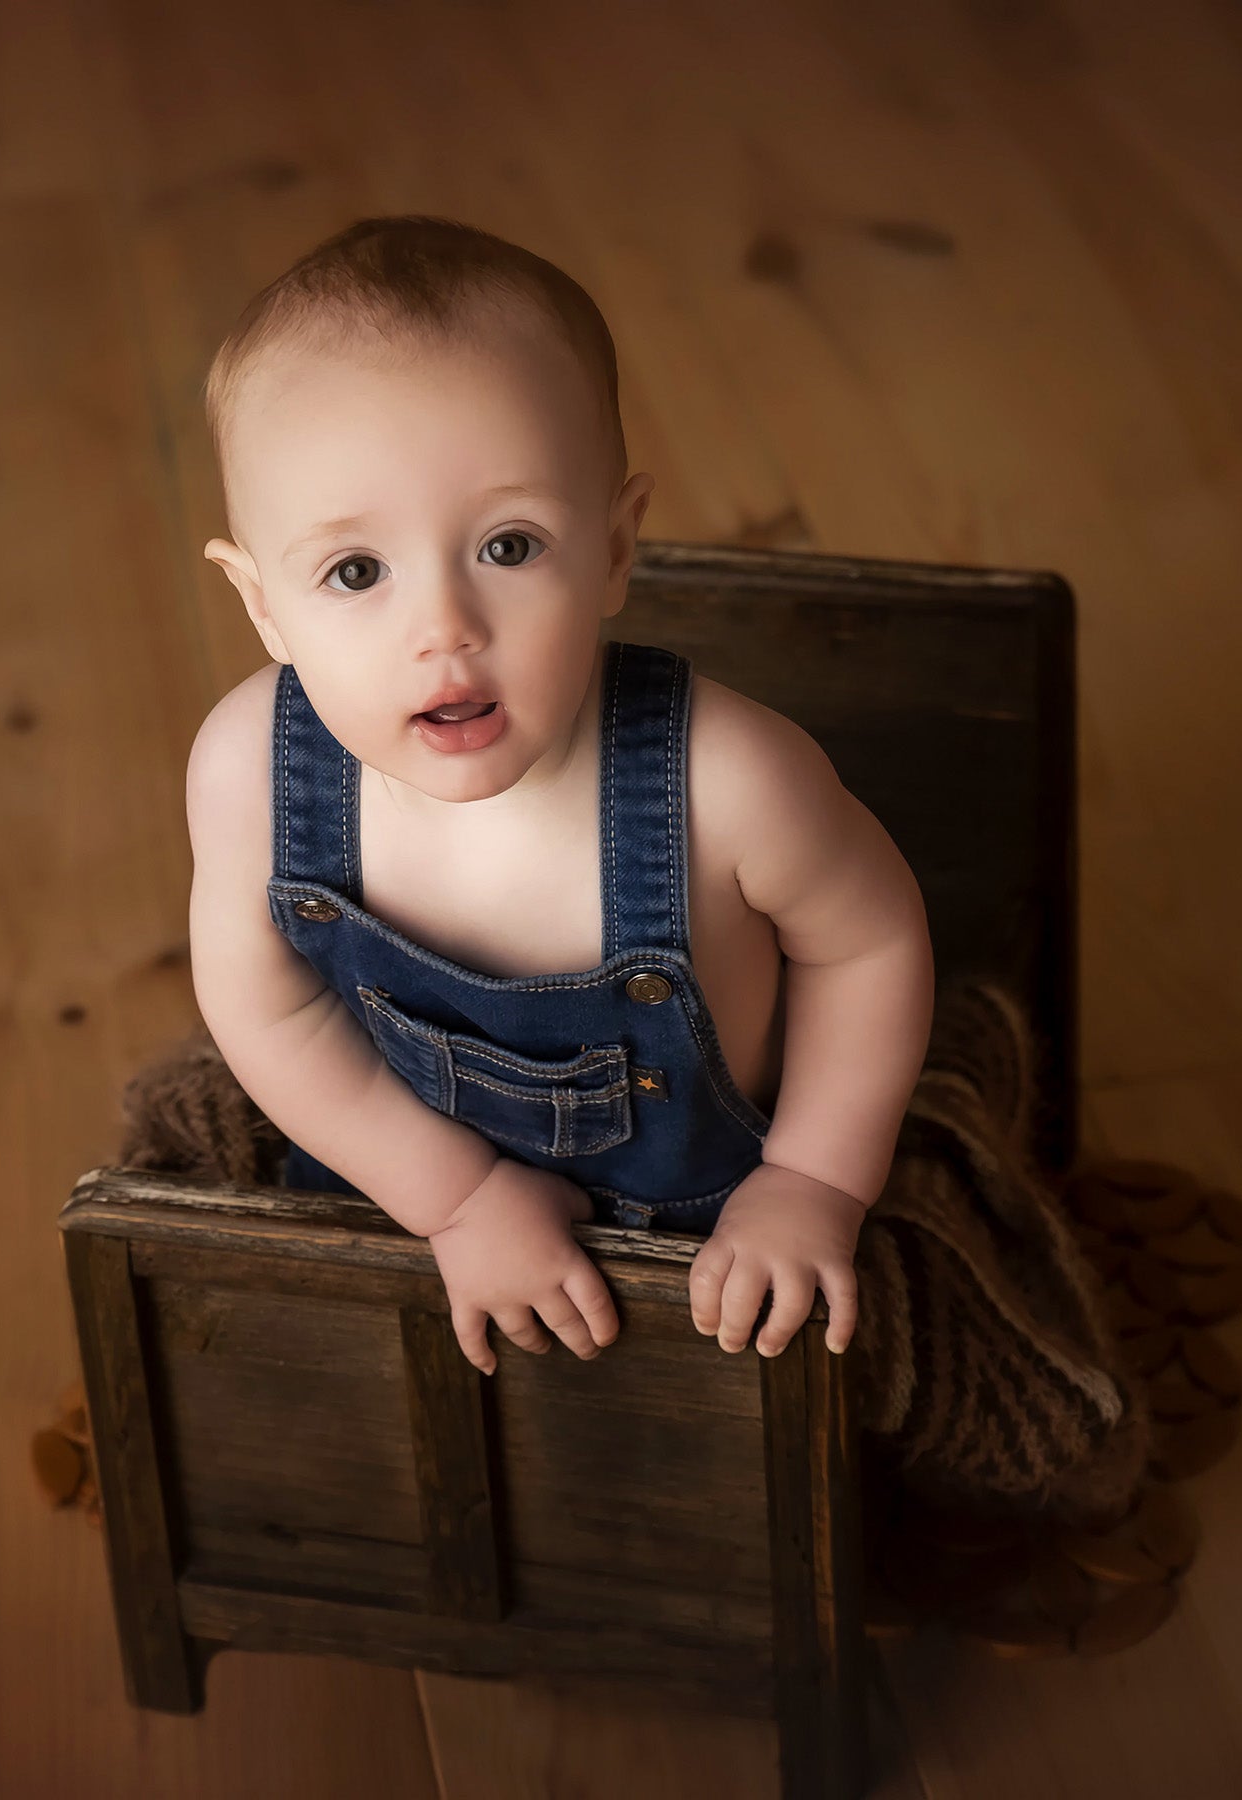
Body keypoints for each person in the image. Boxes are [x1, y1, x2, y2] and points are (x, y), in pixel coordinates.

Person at [183, 216, 934, 1378]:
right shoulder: (250, 773)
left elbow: (869, 943)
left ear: (619, 547)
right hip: (401, 1168)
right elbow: (270, 1015)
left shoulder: (727, 785)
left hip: (713, 1224)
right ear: (261, 603)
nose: (445, 630)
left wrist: (814, 1180)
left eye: (511, 546)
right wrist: (453, 1198)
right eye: (354, 571)